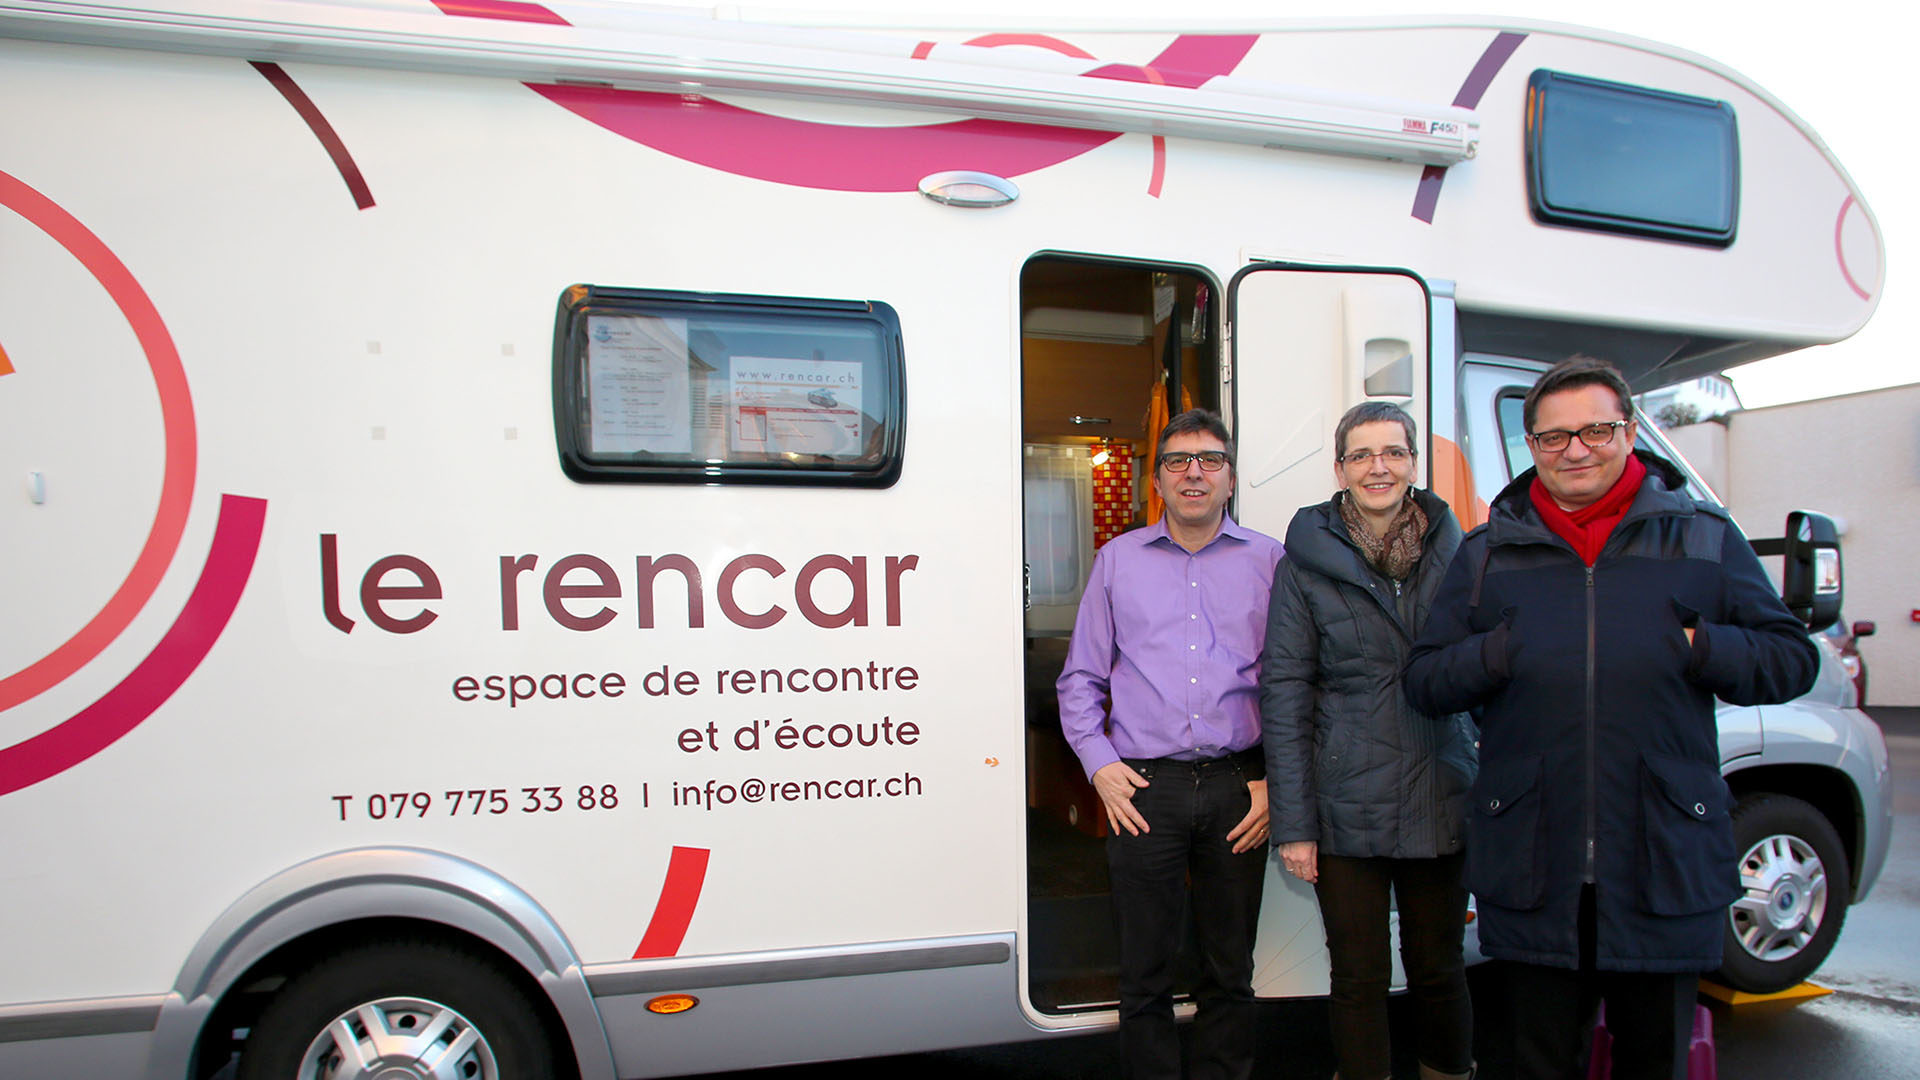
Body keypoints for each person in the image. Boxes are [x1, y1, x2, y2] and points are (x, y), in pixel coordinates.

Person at [1404, 356, 1819, 1080]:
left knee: (1651, 1060)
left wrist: (1702, 647)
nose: (1574, 449)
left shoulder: (1704, 538)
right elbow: (1425, 680)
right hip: (1535, 860)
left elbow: (1792, 660)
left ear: (1629, 433)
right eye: (1553, 436)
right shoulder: (1488, 553)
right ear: (1531, 445)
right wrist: (1496, 655)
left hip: (1661, 858)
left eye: (1595, 430)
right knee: (1533, 1063)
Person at [1057, 408, 1284, 1080]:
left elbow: (1294, 682)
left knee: (1229, 970)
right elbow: (1079, 681)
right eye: (1179, 461)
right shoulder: (1117, 560)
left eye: (1210, 460)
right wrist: (1100, 766)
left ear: (1230, 477)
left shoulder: (1272, 560)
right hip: (1142, 790)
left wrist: (1276, 780)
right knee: (1144, 974)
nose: (1195, 472)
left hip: (1241, 788)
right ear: (1157, 479)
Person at [1260, 402, 1477, 1080]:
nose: (1377, 466)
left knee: (1440, 968)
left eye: (1392, 452)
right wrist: (1295, 825)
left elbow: (1490, 668)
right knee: (1357, 976)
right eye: (1361, 454)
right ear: (1340, 468)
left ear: (1414, 463)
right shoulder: (1305, 563)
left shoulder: (1462, 550)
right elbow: (1285, 691)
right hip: (1345, 802)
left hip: (1442, 789)